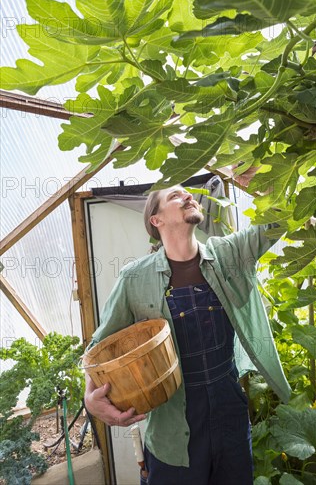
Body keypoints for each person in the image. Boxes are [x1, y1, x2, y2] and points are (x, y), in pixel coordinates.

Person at [84, 174, 291, 485]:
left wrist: (267, 184)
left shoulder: (228, 254)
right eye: (175, 196)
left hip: (229, 410)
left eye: (189, 194)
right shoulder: (134, 278)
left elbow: (279, 222)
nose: (188, 197)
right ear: (156, 220)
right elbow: (99, 347)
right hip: (172, 423)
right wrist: (89, 397)